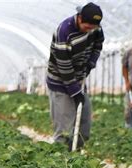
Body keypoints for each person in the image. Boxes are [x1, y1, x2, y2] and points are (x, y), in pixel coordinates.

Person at [46, 2, 104, 150]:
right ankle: (60, 158)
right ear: (79, 18)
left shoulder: (95, 28)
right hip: (60, 80)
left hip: (79, 78)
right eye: (87, 26)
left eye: (93, 27)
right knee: (64, 126)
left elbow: (98, 44)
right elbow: (63, 65)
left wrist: (91, 62)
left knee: (84, 120)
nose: (90, 30)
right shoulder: (64, 31)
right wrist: (74, 90)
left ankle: (76, 154)